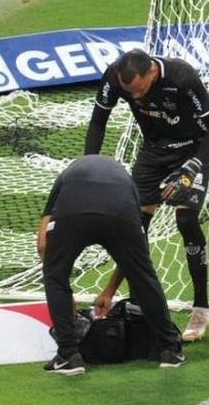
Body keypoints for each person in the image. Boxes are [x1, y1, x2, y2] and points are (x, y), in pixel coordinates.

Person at [85, 49, 209, 342]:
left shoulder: (182, 77)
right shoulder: (114, 77)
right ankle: (138, 305)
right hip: (154, 151)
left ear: (151, 72)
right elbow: (99, 120)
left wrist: (190, 169)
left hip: (193, 149)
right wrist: (87, 167)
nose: (135, 98)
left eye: (138, 90)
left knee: (186, 220)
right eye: (129, 93)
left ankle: (201, 307)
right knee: (133, 229)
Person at [38, 155, 185, 375]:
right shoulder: (126, 181)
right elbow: (133, 262)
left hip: (74, 212)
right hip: (120, 210)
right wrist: (109, 292)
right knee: (144, 275)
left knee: (54, 276)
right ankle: (170, 350)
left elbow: (43, 245)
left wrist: (63, 290)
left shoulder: (66, 176)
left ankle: (69, 355)